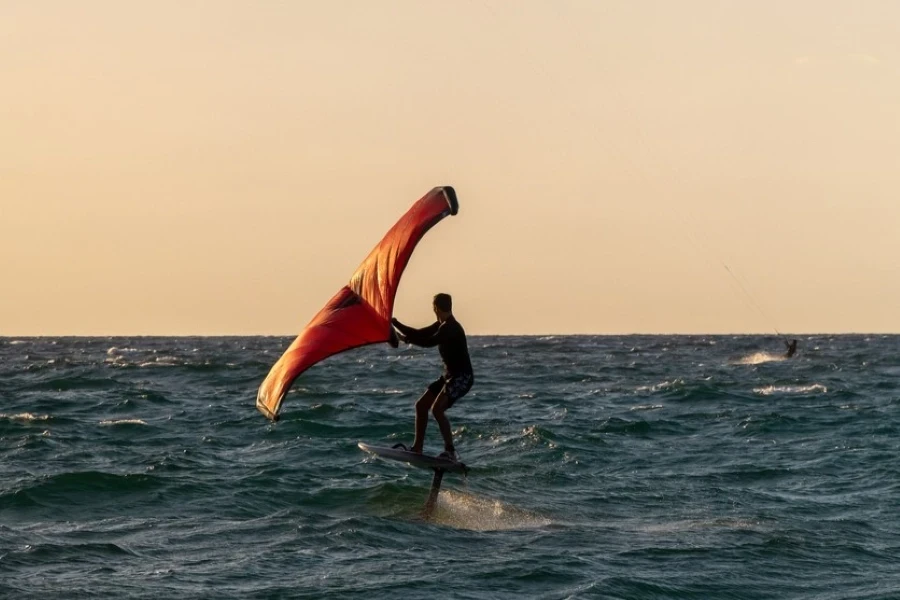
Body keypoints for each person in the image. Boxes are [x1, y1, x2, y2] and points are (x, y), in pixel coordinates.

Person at [391, 293, 473, 461]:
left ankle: (450, 452)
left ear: (436, 308)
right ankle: (417, 448)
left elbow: (428, 342)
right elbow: (420, 334)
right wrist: (395, 323)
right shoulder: (441, 324)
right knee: (421, 406)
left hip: (462, 377)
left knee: (436, 409)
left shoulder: (450, 327)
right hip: (449, 377)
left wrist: (404, 339)